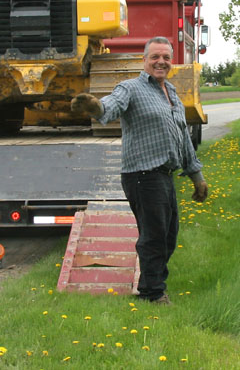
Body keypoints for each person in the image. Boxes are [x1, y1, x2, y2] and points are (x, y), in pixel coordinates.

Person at [71, 36, 208, 305]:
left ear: (171, 62)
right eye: (155, 57)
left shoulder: (172, 94)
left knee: (168, 236)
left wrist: (197, 178)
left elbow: (182, 139)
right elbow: (110, 107)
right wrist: (95, 106)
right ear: (144, 60)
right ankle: (153, 293)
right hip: (142, 175)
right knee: (154, 235)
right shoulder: (130, 88)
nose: (161, 62)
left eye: (166, 57)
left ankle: (150, 284)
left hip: (164, 175)